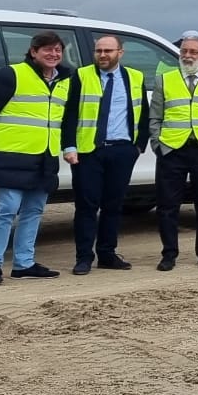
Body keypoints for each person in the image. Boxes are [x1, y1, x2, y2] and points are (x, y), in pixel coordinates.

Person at [0, 31, 72, 286]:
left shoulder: (66, 79)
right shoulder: (12, 74)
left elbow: (66, 118)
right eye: (47, 50)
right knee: (7, 209)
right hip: (12, 155)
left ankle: (24, 264)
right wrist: (0, 140)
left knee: (34, 210)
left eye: (58, 50)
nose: (53, 54)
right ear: (33, 52)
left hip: (45, 156)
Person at [60, 34, 149, 274]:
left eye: (108, 51)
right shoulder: (80, 75)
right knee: (87, 206)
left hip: (122, 151)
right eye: (99, 51)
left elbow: (143, 112)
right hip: (88, 152)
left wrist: (138, 145)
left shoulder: (135, 77)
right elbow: (69, 113)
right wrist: (69, 146)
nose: (102, 55)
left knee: (114, 205)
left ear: (120, 53)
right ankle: (84, 257)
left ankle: (107, 254)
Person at [149, 31, 198, 270]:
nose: (187, 55)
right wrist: (158, 144)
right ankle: (169, 254)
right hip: (172, 150)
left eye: (193, 51)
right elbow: (155, 117)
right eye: (184, 51)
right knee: (167, 206)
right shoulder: (165, 79)